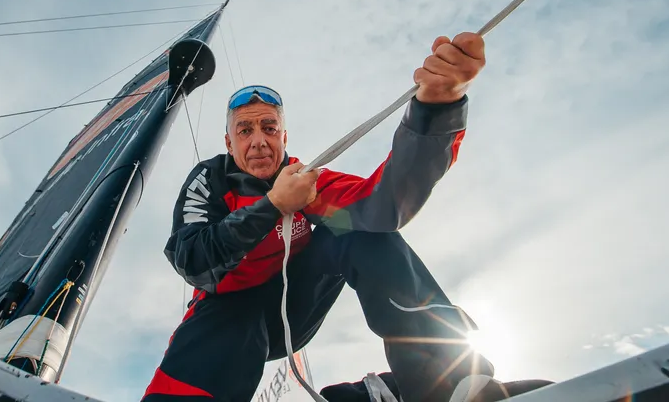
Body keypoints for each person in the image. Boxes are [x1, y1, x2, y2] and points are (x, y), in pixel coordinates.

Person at [141, 33, 530, 401]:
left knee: (352, 230)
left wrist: (437, 108)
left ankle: (448, 380)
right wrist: (272, 207)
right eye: (244, 130)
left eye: (268, 127)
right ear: (229, 142)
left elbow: (383, 205)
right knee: (231, 319)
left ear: (283, 137)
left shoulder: (306, 183)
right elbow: (193, 259)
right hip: (227, 311)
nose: (258, 139)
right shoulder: (210, 179)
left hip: (294, 307)